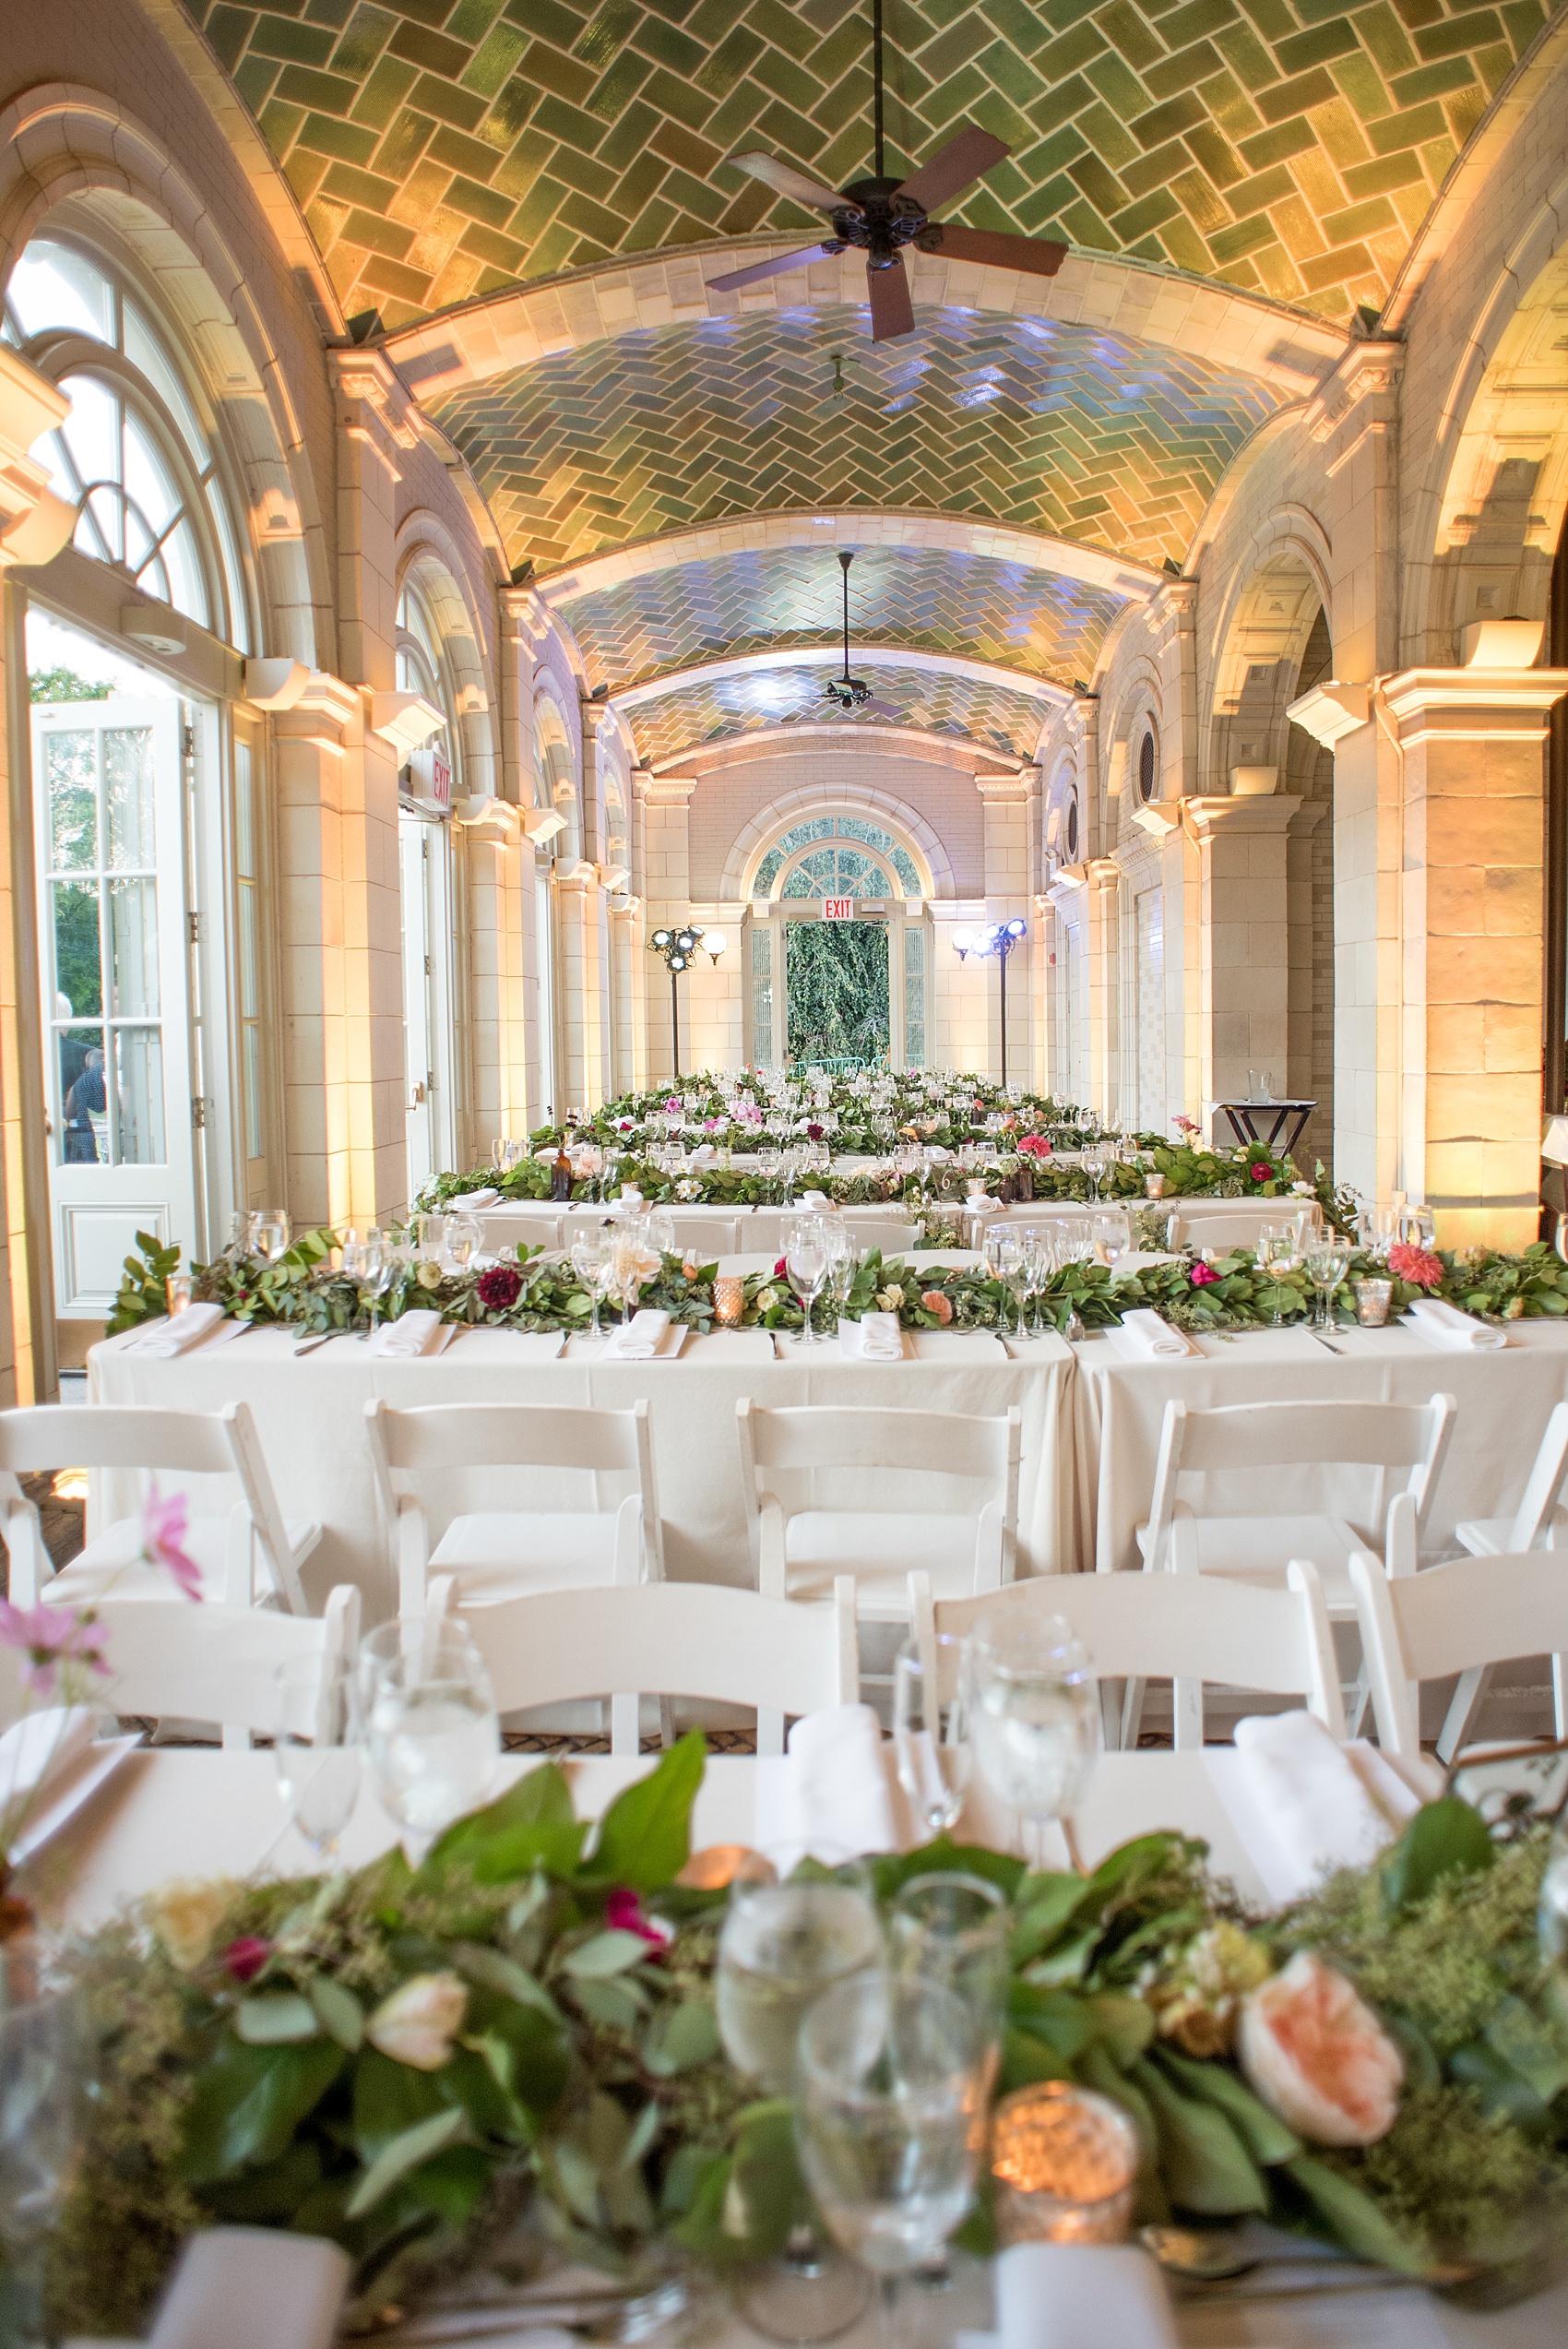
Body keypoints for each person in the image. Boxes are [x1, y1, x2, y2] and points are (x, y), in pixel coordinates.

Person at [64, 1045, 105, 1163]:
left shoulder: (80, 1082)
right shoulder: (111, 1075)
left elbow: (70, 1114)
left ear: (87, 1065)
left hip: (87, 1136)